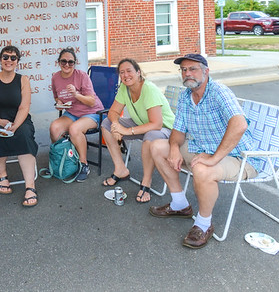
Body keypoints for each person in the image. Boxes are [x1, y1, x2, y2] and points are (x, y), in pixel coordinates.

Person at [149, 53, 261, 249]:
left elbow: (239, 124)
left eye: (193, 69)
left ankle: (203, 224)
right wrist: (174, 148)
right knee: (158, 146)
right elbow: (178, 131)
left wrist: (213, 158)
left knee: (202, 169)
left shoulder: (219, 92)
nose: (187, 73)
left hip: (239, 156)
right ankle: (179, 204)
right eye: (184, 70)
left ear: (206, 71)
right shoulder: (185, 97)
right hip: (201, 148)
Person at [100, 59, 175, 204]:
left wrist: (126, 130)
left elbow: (156, 124)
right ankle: (120, 169)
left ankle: (146, 182)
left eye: (129, 71)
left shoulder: (149, 89)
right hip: (141, 123)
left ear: (138, 72)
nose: (125, 75)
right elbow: (113, 112)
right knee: (106, 124)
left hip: (165, 129)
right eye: (122, 72)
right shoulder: (124, 88)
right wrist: (115, 126)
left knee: (150, 136)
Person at [0, 46, 39, 207]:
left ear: (18, 61)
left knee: (24, 134)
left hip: (18, 119)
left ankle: (30, 186)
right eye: (5, 57)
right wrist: (1, 122)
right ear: (0, 60)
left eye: (13, 58)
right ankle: (2, 175)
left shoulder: (23, 80)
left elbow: (24, 107)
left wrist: (15, 125)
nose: (9, 60)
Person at [48, 47, 103, 182]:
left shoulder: (82, 76)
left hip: (92, 113)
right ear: (58, 62)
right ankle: (64, 156)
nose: (67, 64)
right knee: (54, 128)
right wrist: (59, 103)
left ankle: (84, 164)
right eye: (63, 61)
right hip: (72, 112)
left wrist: (76, 94)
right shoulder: (55, 77)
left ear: (75, 63)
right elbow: (57, 96)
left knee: (74, 129)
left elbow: (91, 101)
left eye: (70, 62)